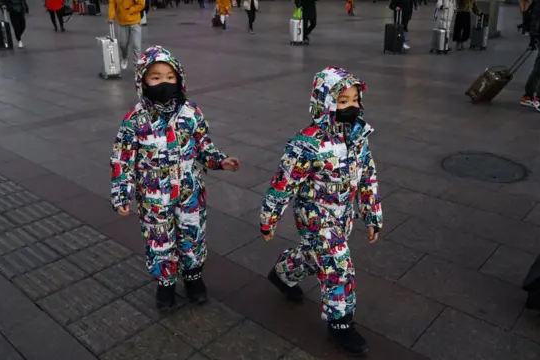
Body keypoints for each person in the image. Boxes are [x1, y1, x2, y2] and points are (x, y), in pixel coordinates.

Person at [260, 66, 383, 356]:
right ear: (324, 102)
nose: (350, 106)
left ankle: (282, 273)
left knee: (316, 257)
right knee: (337, 264)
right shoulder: (307, 143)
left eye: (355, 100)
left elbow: (367, 175)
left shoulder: (358, 136)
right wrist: (269, 217)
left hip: (343, 214)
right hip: (314, 215)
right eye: (342, 101)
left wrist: (371, 213)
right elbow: (283, 183)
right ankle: (341, 323)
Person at [111, 46, 241, 311]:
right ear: (142, 81)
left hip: (189, 192)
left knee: (192, 236)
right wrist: (122, 194)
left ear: (179, 79)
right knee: (160, 241)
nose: (164, 83)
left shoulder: (192, 113)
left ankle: (193, 277)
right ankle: (166, 284)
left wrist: (220, 161)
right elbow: (122, 161)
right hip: (153, 198)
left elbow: (204, 146)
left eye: (170, 77)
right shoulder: (134, 121)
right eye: (155, 78)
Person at [108, 0, 145, 70]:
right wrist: (111, 16)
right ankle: (125, 57)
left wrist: (131, 10)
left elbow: (141, 4)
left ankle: (137, 67)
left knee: (136, 45)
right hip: (122, 22)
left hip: (135, 21)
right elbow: (112, 3)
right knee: (123, 44)